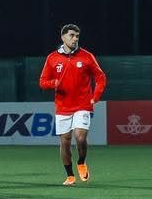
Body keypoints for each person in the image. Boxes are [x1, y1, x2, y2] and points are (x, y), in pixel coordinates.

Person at [39, 24, 107, 185]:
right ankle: (70, 175)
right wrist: (53, 83)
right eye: (71, 35)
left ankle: (81, 162)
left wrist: (96, 96)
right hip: (63, 106)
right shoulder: (52, 58)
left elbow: (101, 77)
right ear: (63, 37)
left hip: (83, 104)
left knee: (80, 137)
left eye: (77, 36)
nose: (75, 39)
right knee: (65, 141)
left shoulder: (87, 56)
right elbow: (42, 81)